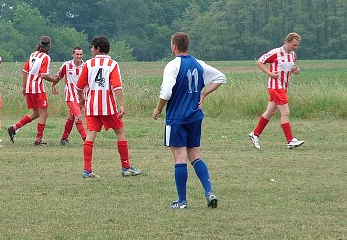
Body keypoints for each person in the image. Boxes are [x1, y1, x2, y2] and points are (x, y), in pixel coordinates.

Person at [152, 32, 226, 209]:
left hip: (177, 117)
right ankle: (209, 192)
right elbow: (221, 77)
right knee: (194, 155)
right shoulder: (199, 64)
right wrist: (204, 93)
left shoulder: (172, 65)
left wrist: (158, 108)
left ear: (174, 46)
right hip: (195, 117)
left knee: (179, 157)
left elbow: (166, 92)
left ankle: (182, 201)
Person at [76, 36, 141, 179]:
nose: (91, 50)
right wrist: (122, 104)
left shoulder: (88, 64)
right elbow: (116, 86)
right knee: (120, 132)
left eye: (92, 47)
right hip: (108, 107)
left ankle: (87, 170)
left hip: (92, 106)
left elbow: (79, 86)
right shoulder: (112, 64)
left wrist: (81, 99)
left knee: (90, 134)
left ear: (98, 48)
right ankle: (125, 167)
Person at [248, 32, 305, 150]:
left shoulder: (293, 55)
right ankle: (290, 140)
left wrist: (295, 70)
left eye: (297, 45)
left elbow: (290, 67)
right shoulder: (276, 52)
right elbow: (259, 62)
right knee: (285, 112)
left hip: (284, 87)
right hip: (275, 86)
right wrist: (269, 73)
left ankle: (255, 134)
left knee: (270, 112)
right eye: (294, 45)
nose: (295, 47)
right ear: (287, 42)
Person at [7, 36, 58, 146]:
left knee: (36, 113)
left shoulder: (33, 55)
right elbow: (44, 75)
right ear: (49, 46)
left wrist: (24, 87)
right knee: (44, 113)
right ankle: (38, 139)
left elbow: (25, 71)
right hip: (38, 89)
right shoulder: (46, 57)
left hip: (30, 88)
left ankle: (14, 127)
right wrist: (55, 80)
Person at [52, 46, 87, 145]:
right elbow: (59, 76)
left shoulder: (86, 66)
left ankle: (64, 138)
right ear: (73, 55)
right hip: (70, 95)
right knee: (78, 115)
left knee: (72, 117)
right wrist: (53, 85)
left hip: (81, 96)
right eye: (77, 54)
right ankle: (86, 139)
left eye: (80, 54)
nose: (79, 56)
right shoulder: (66, 65)